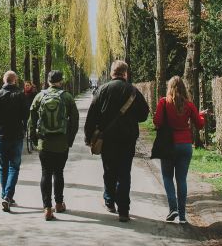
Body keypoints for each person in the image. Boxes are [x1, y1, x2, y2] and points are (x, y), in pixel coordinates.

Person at [84, 60, 149, 222]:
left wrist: (88, 136)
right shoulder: (133, 91)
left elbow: (92, 115)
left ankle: (109, 201)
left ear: (112, 73)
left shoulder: (102, 90)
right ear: (125, 73)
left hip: (108, 139)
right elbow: (143, 115)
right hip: (127, 139)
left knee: (109, 170)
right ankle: (124, 210)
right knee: (124, 173)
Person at [28, 70, 79, 221]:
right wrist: (69, 139)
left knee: (45, 173)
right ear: (61, 81)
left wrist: (34, 139)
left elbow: (31, 119)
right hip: (61, 142)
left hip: (45, 142)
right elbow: (75, 120)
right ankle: (58, 203)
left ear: (48, 81)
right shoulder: (67, 97)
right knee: (59, 172)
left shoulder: (40, 96)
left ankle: (47, 208)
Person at [154, 75, 206, 224]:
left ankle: (173, 208)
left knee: (167, 177)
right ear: (183, 87)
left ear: (169, 87)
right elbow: (200, 124)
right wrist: (202, 116)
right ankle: (182, 217)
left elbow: (157, 122)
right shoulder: (189, 105)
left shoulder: (163, 102)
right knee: (181, 179)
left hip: (168, 145)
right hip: (185, 145)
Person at [0, 70, 28, 212]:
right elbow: (26, 115)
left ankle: (5, 194)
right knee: (14, 167)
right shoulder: (21, 95)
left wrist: (0, 122)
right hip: (16, 135)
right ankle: (8, 196)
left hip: (1, 135)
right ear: (15, 80)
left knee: (3, 166)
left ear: (4, 80)